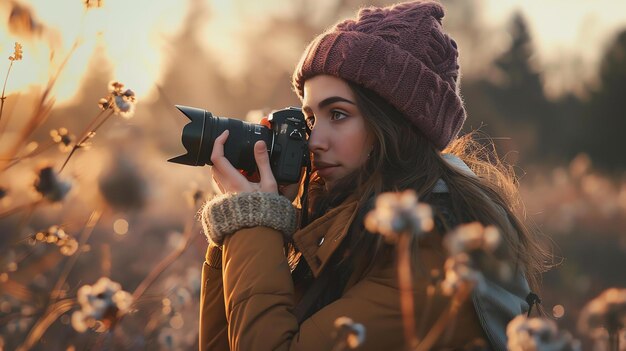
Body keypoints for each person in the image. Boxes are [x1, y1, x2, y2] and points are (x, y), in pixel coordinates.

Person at [198, 1, 548, 350]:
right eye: (310, 119)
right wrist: (240, 228)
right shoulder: (345, 224)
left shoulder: (431, 249)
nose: (315, 141)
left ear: (395, 124)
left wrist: (255, 223)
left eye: (337, 114)